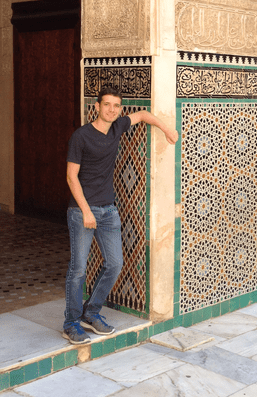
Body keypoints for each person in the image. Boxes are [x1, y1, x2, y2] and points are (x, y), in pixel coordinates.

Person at [63, 86, 178, 344]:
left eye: (116, 106)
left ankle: (90, 313)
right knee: (78, 269)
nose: (112, 110)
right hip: (82, 210)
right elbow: (71, 177)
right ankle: (70, 322)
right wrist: (84, 210)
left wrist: (167, 129)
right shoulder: (81, 136)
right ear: (97, 107)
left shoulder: (117, 127)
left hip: (109, 210)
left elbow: (144, 115)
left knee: (115, 264)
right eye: (107, 105)